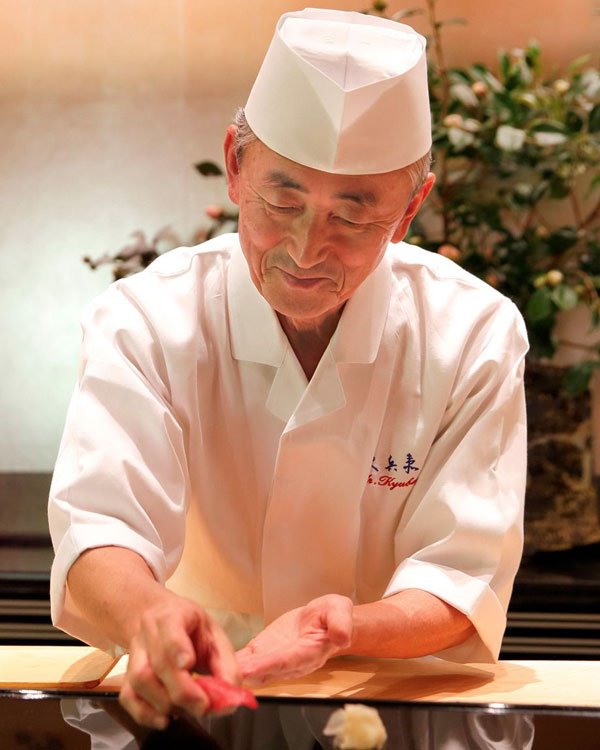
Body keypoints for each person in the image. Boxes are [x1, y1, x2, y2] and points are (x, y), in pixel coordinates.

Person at [48, 8, 528, 730]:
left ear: (410, 209)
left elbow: (461, 577)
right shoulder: (146, 320)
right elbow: (101, 526)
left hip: (391, 700)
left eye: (354, 217)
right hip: (193, 697)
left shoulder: (473, 334)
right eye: (283, 199)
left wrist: (342, 630)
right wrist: (148, 613)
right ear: (235, 167)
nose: (305, 250)